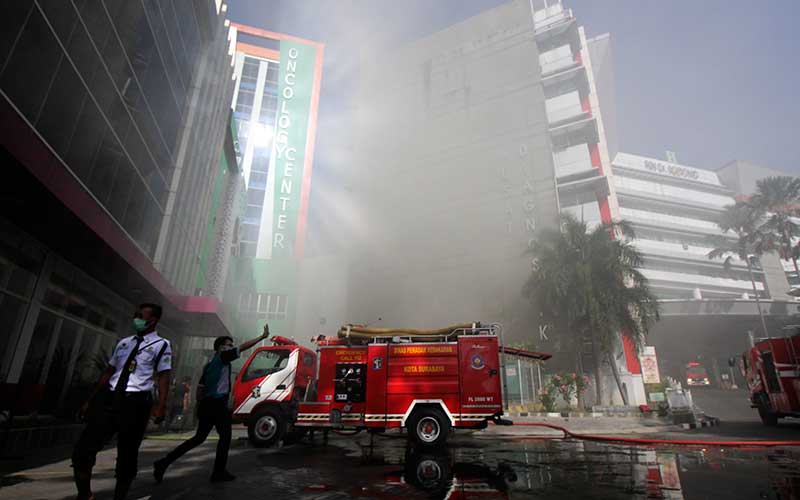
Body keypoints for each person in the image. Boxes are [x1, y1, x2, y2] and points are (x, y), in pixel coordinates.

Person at [72, 303, 172, 500]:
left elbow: (164, 376)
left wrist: (160, 406)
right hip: (110, 399)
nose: (136, 318)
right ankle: (85, 495)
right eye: (135, 315)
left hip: (136, 404)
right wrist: (90, 400)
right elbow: (109, 371)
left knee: (127, 455)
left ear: (153, 320)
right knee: (83, 450)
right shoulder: (124, 343)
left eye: (140, 316)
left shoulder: (161, 345)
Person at [153, 324, 270, 483]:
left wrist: (199, 406)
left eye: (231, 345)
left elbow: (200, 389)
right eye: (228, 345)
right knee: (225, 437)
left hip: (207, 404)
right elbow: (242, 347)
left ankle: (164, 462)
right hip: (216, 404)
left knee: (199, 438)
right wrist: (262, 337)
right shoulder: (222, 357)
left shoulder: (210, 364)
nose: (231, 347)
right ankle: (218, 472)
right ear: (221, 347)